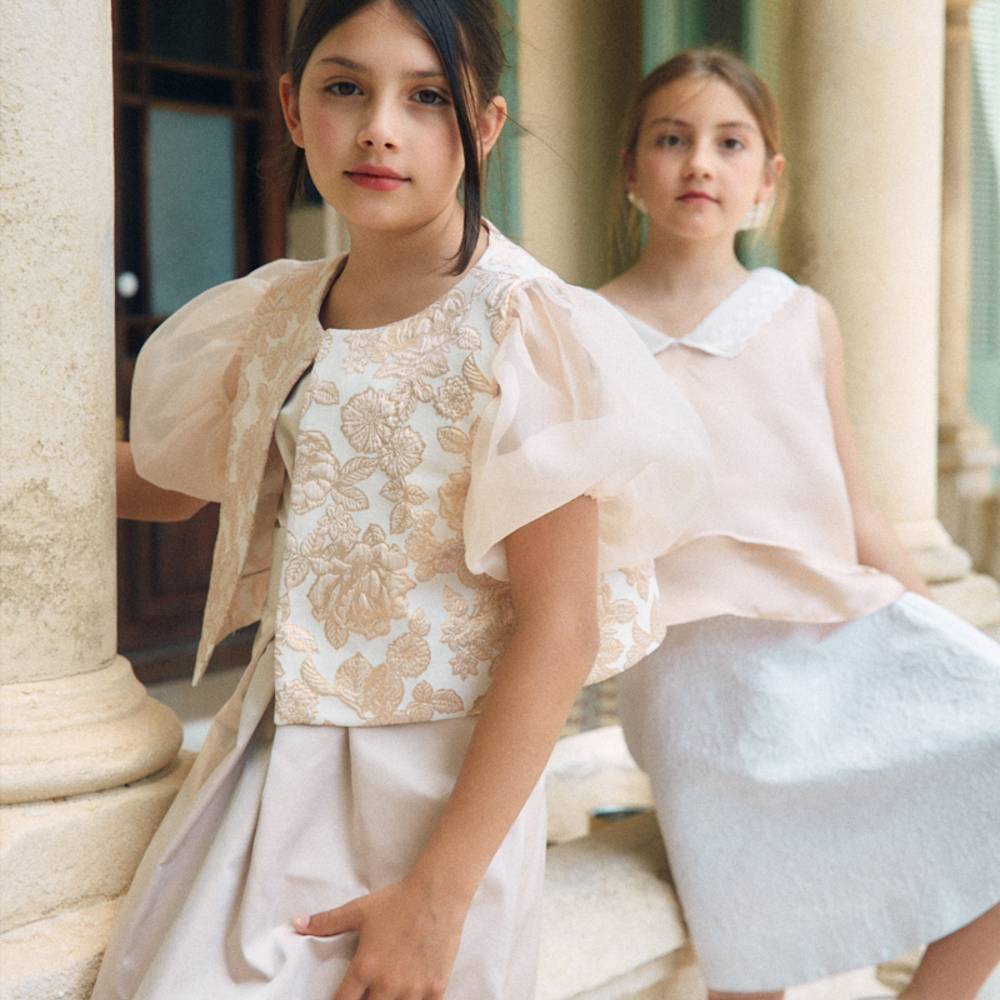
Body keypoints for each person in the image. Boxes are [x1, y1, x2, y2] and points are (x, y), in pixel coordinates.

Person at [90, 3, 709, 998]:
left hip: (439, 800)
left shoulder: (521, 329)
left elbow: (561, 625)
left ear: (487, 128)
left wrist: (438, 893)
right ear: (292, 108)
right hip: (276, 759)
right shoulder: (279, 312)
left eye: (427, 98)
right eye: (345, 88)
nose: (381, 126)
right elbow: (170, 485)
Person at [598, 48, 1000, 1000]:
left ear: (765, 181)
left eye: (729, 143)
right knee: (752, 948)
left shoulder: (800, 317)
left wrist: (940, 634)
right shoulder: (584, 327)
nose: (700, 162)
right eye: (671, 139)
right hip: (696, 675)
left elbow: (853, 505)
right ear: (631, 171)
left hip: (832, 641)